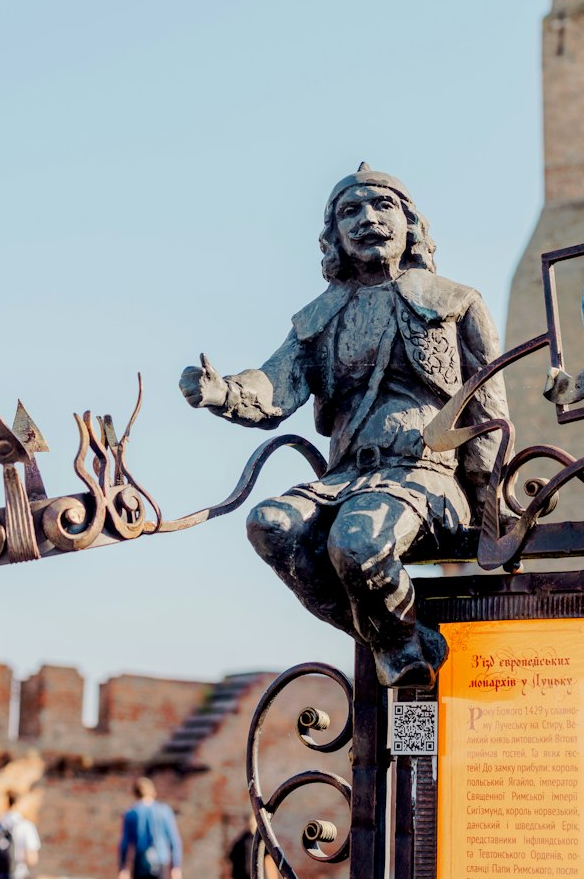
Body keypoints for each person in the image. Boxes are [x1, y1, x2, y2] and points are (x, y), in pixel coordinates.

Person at [180, 165, 507, 687]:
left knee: (357, 541)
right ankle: (397, 640)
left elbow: (489, 413)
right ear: (333, 235)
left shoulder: (457, 303)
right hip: (345, 477)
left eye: (382, 206)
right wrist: (223, 392)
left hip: (426, 478)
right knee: (271, 525)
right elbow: (274, 384)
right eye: (349, 211)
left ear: (410, 224)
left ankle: (400, 650)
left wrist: (494, 509)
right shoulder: (318, 318)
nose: (366, 219)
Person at [118, 777, 183, 879]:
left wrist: (123, 869)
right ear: (152, 792)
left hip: (139, 867)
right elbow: (174, 840)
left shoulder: (131, 813)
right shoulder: (164, 811)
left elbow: (125, 844)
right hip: (160, 867)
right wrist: (176, 867)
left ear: (135, 793)